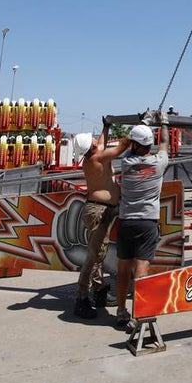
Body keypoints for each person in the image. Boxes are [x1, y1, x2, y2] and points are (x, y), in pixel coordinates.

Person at [114, 124, 169, 329]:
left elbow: (128, 147)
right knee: (141, 270)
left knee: (123, 270)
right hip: (147, 223)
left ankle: (121, 312)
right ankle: (139, 314)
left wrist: (141, 127)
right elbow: (164, 143)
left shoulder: (126, 162)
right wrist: (164, 123)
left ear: (135, 144)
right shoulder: (159, 163)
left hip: (126, 221)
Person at [72, 131, 131, 319]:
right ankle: (81, 298)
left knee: (98, 254)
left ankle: (99, 292)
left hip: (99, 209)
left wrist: (106, 127)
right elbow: (122, 147)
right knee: (93, 256)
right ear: (92, 145)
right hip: (99, 210)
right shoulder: (99, 157)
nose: (97, 138)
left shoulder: (92, 158)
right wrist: (138, 131)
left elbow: (102, 142)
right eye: (94, 138)